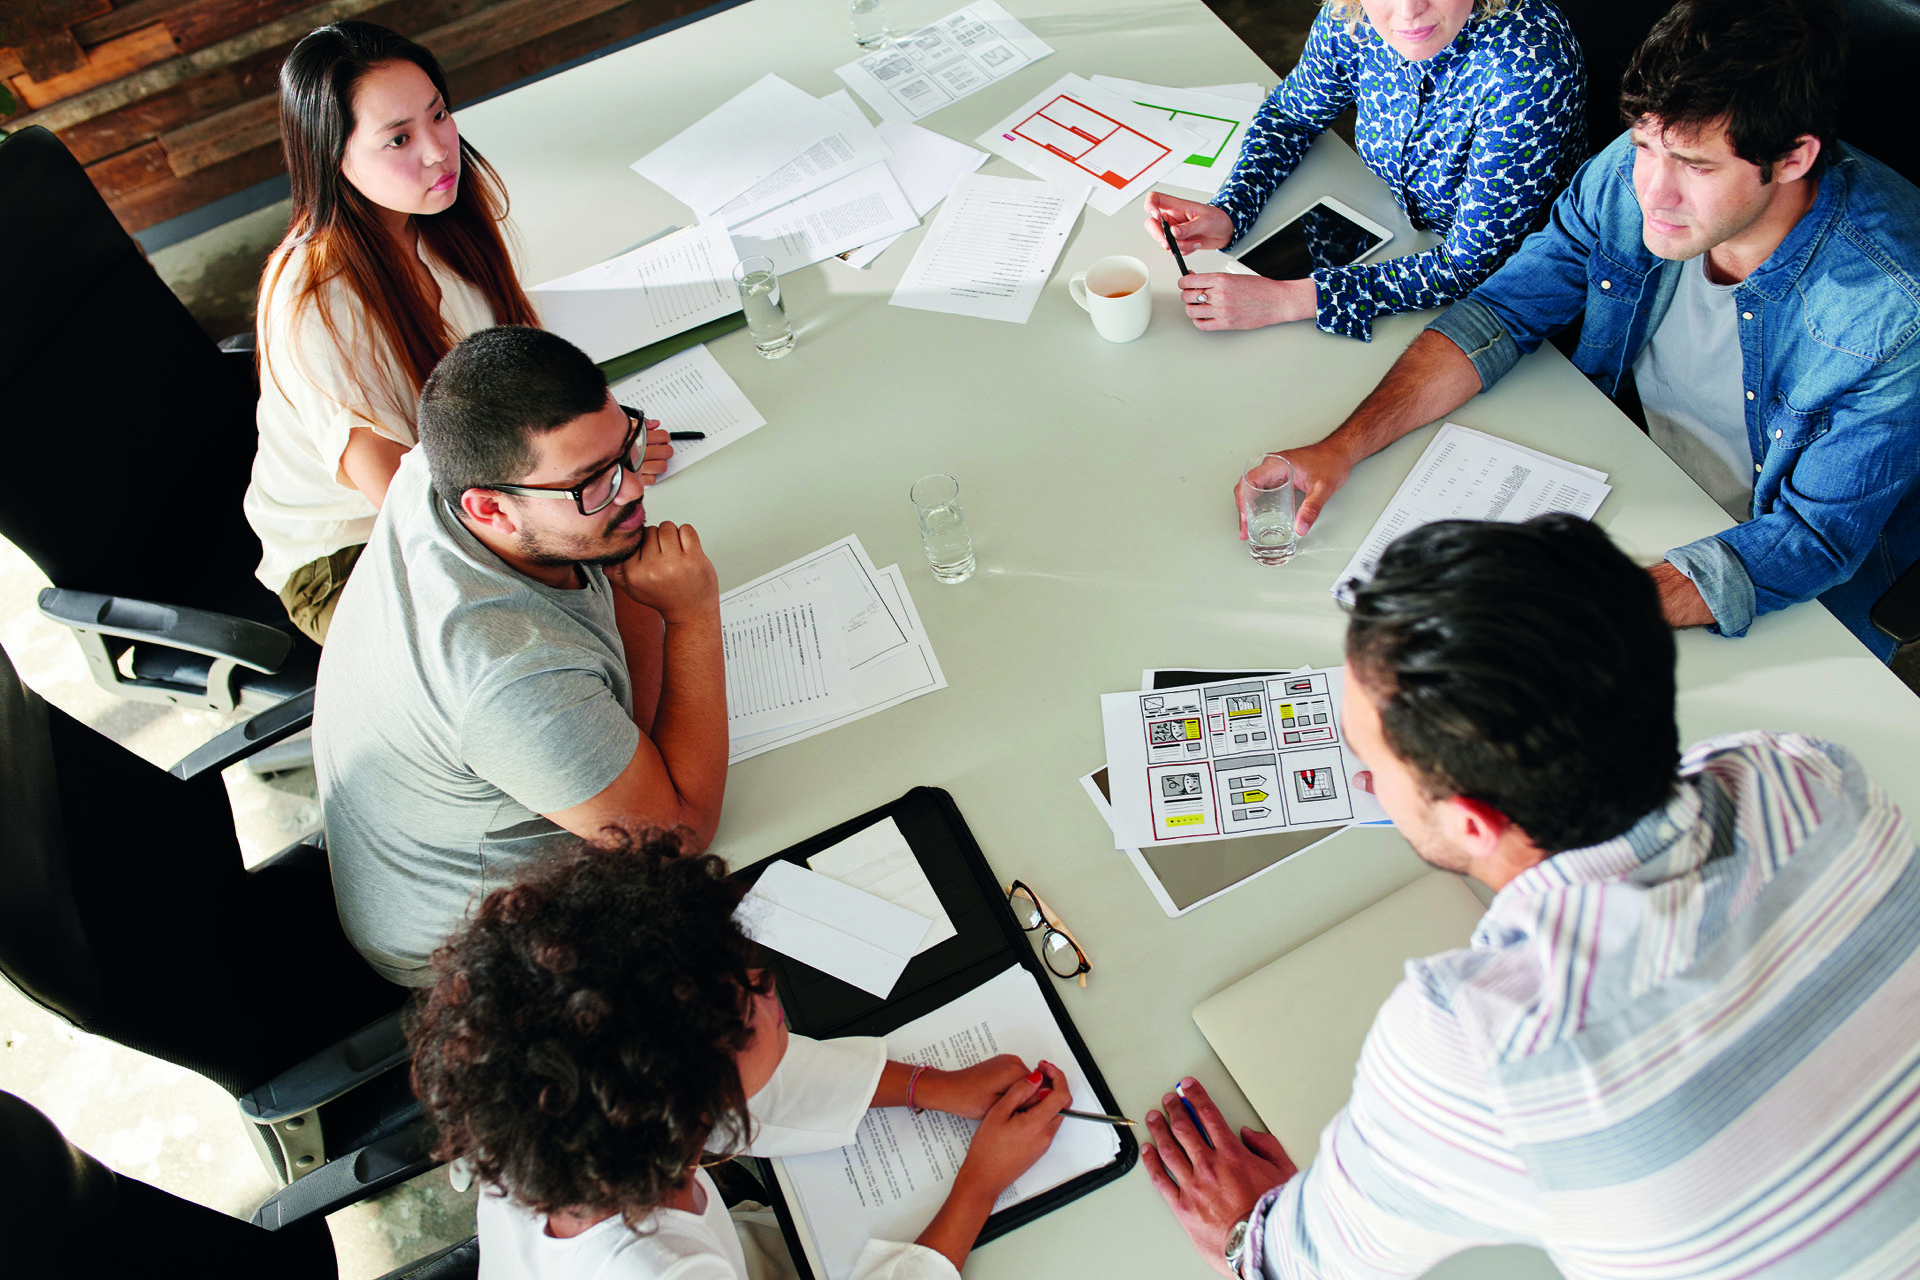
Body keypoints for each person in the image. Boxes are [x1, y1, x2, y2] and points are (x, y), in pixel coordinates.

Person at [1143, 514, 1920, 1279]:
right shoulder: (1804, 775)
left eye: (1370, 762)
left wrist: (1251, 1236)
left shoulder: (1478, 1050)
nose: (1362, 783)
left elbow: (1305, 1267)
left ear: (1474, 822)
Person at [1243, 0, 1920, 660]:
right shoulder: (1629, 171)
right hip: (1637, 475)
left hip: (1774, 573)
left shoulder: (1891, 309)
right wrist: (1342, 446)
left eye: (1696, 166)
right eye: (1649, 145)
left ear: (1795, 158)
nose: (1652, 190)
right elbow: (1503, 312)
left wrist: (1576, 609)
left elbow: (1813, 540)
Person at [408, 837, 1073, 1280]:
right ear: (693, 1096)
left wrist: (933, 1086)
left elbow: (755, 1088)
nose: (767, 983)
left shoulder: (567, 1127)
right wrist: (979, 1185)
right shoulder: (662, 1271)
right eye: (742, 1005)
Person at [313, 325, 723, 986]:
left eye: (628, 448)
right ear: (490, 508)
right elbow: (676, 842)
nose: (632, 492)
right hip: (480, 959)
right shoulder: (506, 673)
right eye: (590, 481)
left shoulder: (441, 462)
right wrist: (691, 615)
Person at [242, 21, 670, 643]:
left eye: (439, 114)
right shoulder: (314, 302)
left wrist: (607, 461)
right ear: (334, 158)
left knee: (632, 584)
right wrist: (580, 497)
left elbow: (521, 373)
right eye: (398, 139)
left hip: (476, 488)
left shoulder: (437, 213)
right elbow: (403, 506)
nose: (439, 150)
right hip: (353, 554)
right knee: (574, 639)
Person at [1145, 0, 1585, 342]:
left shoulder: (1528, 64)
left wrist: (1290, 300)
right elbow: (1291, 116)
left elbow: (1467, 266)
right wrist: (1232, 209)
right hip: (1402, 236)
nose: (1408, 13)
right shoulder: (1351, 16)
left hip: (1515, 290)